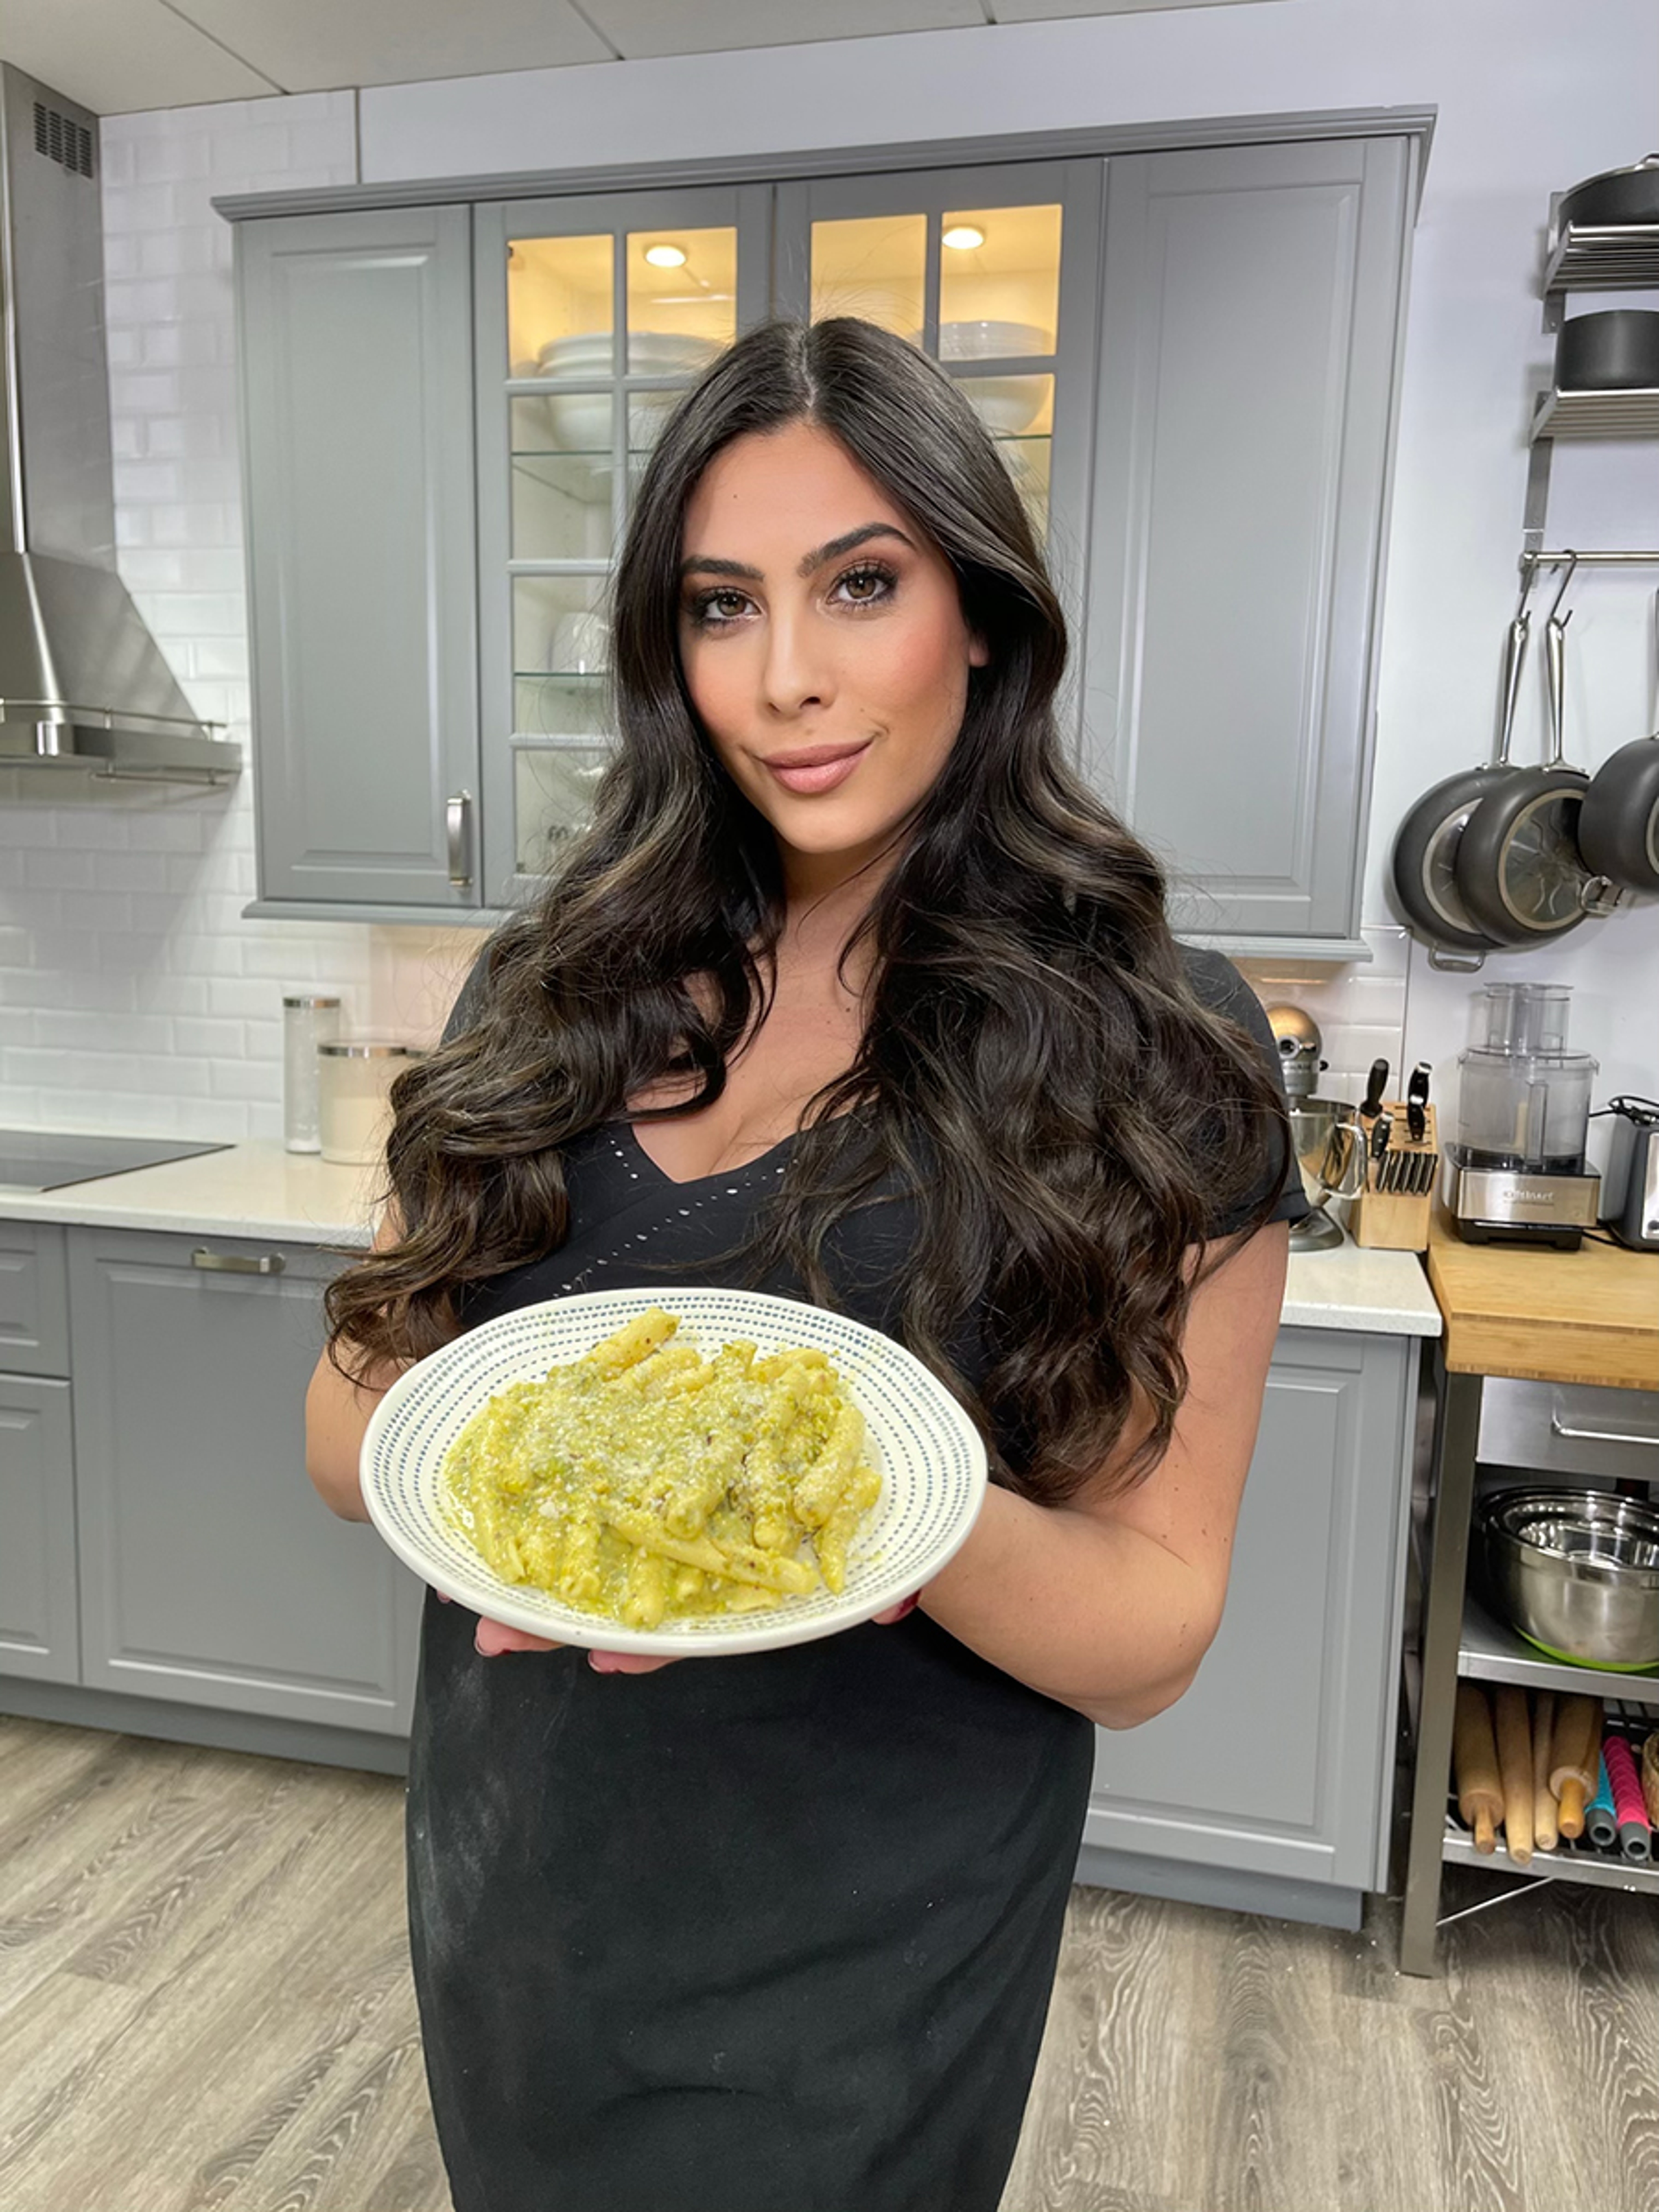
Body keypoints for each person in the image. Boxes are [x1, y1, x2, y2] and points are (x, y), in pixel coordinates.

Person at [305, 316, 1306, 2212]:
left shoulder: (1156, 1043)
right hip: (529, 1891)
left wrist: (876, 1495)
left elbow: (1151, 1622)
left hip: (875, 1951)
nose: (786, 678)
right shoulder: (556, 980)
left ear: (981, 611)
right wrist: (551, 1445)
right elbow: (349, 1425)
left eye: (862, 583)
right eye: (718, 602)